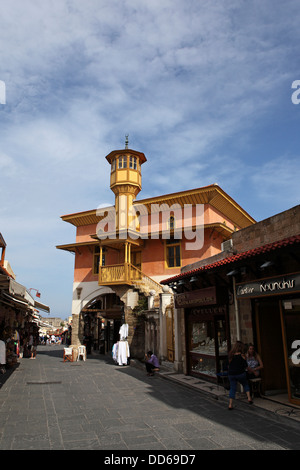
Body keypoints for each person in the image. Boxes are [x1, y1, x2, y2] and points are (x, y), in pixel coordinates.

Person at [228, 341, 252, 410]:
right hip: (240, 373)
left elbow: (228, 364)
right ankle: (249, 398)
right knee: (245, 384)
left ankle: (230, 404)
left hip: (231, 374)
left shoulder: (231, 355)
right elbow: (245, 365)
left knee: (232, 388)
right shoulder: (242, 355)